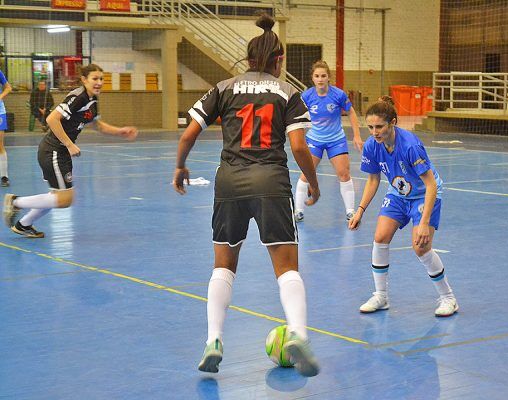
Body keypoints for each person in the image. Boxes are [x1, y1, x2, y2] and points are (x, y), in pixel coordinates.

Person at [173, 14, 321, 377]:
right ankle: (299, 335)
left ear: (249, 58)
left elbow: (188, 134)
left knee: (223, 266)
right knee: (286, 269)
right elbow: (299, 146)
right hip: (271, 182)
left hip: (230, 184)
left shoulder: (223, 87)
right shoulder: (289, 93)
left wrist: (180, 166)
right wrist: (312, 180)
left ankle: (213, 341)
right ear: (278, 60)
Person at [348, 96, 458, 317]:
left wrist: (424, 223)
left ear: (393, 123)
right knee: (380, 237)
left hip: (423, 195)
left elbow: (431, 185)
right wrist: (360, 210)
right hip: (398, 194)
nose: (374, 131)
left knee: (420, 247)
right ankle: (381, 296)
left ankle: (448, 298)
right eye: (370, 127)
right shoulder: (372, 146)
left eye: (379, 126)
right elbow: (373, 180)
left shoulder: (411, 146)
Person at [3, 64, 137, 238]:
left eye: (101, 79)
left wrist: (120, 131)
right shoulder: (79, 97)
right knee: (64, 200)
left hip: (59, 152)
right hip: (53, 150)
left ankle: (24, 225)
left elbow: (96, 124)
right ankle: (16, 202)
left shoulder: (92, 100)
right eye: (95, 79)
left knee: (57, 196)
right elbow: (52, 119)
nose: (99, 83)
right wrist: (69, 144)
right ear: (84, 80)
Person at [293, 60, 363, 222]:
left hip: (336, 140)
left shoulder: (338, 95)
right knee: (306, 174)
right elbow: (298, 117)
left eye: (323, 76)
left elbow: (351, 113)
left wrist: (357, 135)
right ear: (312, 78)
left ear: (328, 77)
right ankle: (298, 211)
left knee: (344, 174)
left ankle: (350, 211)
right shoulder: (306, 96)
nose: (320, 79)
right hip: (314, 140)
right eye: (317, 76)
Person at [0, 69, 12, 187]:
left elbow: (8, 87)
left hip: (0, 112)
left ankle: (4, 176)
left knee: (0, 145)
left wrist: (0, 96)